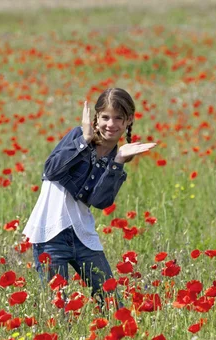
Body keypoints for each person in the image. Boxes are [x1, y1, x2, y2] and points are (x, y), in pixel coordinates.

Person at [22, 87, 156, 312]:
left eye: (118, 118)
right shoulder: (77, 135)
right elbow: (51, 170)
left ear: (128, 120)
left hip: (83, 236)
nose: (110, 124)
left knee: (112, 304)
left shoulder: (117, 157)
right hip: (50, 235)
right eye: (105, 117)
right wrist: (84, 141)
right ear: (96, 117)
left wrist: (119, 161)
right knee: (58, 310)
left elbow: (99, 200)